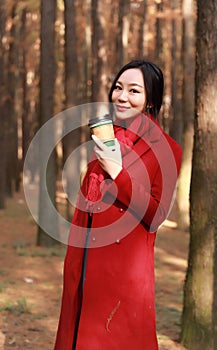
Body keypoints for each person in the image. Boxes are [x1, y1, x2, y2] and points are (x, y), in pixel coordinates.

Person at [54, 60, 182, 350]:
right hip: (86, 263)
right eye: (118, 88)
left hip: (124, 274)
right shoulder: (107, 135)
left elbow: (156, 215)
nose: (122, 96)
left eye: (134, 90)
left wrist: (117, 173)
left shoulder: (167, 149)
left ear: (151, 100)